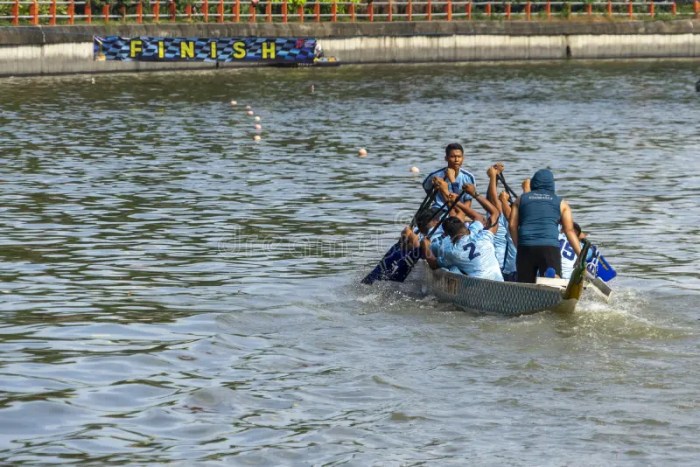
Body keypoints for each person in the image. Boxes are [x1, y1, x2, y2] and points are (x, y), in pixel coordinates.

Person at [508, 168, 581, 283]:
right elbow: (569, 230)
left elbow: (512, 226)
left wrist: (519, 246)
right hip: (549, 248)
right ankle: (552, 280)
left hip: (526, 246)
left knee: (525, 284)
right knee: (553, 284)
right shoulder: (561, 203)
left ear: (533, 183)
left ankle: (526, 296)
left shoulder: (520, 200)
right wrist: (580, 256)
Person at [422, 184, 504, 282]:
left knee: (452, 268)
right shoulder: (483, 237)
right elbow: (494, 213)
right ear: (465, 225)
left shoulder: (451, 251)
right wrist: (474, 194)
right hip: (498, 281)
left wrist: (426, 247)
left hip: (478, 287)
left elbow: (433, 264)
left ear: (448, 235)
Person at [486, 163, 518, 281]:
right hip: (520, 269)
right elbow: (493, 201)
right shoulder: (526, 222)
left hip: (503, 269)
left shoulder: (510, 224)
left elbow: (493, 200)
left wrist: (493, 177)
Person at [422, 143, 476, 210]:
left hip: (460, 210)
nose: (456, 160)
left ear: (463, 158)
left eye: (459, 157)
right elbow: (427, 188)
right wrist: (436, 198)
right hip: (439, 209)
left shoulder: (469, 177)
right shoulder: (435, 175)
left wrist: (452, 180)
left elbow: (468, 201)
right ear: (446, 158)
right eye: (453, 157)